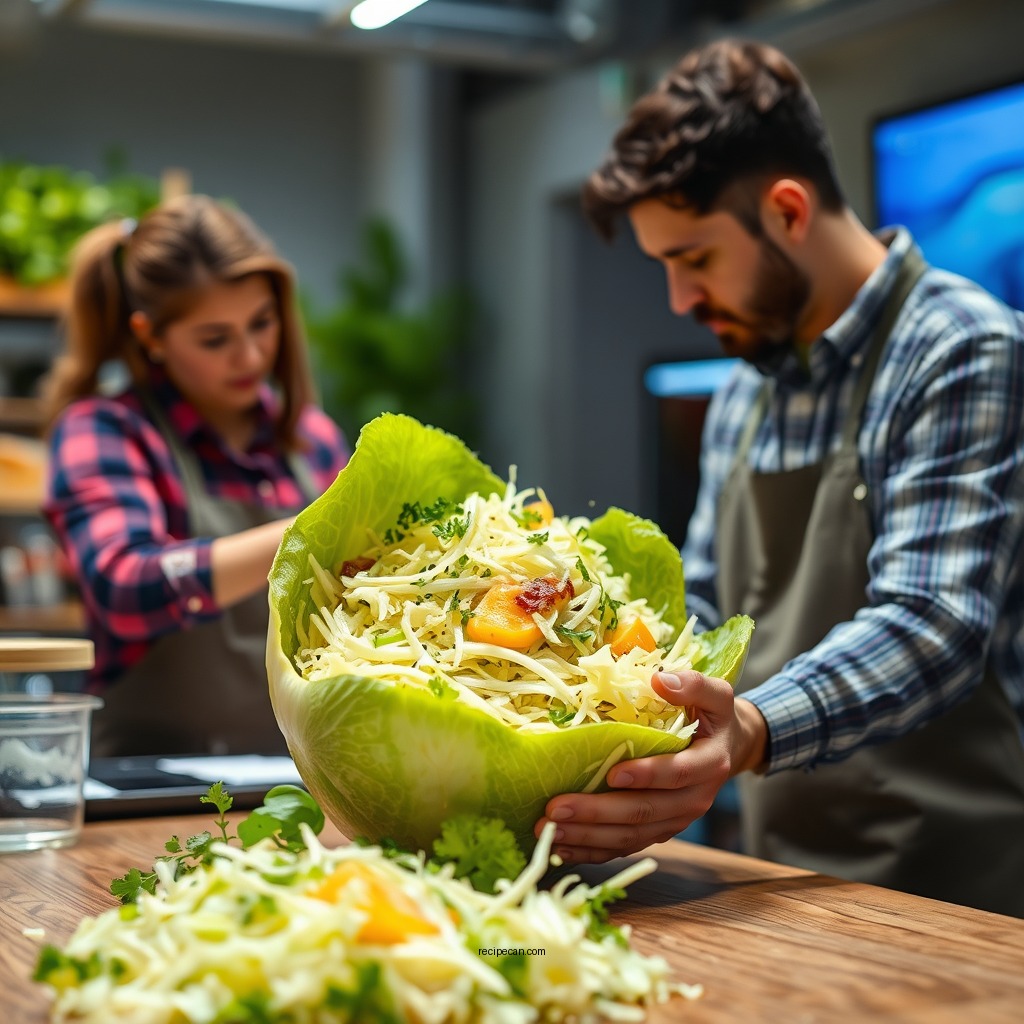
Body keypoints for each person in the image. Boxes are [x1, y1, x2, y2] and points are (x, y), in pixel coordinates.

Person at [536, 38, 1024, 917]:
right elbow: (703, 609)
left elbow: (934, 622)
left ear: (789, 209)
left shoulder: (961, 347)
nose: (681, 303)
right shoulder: (743, 394)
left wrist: (750, 730)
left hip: (962, 898)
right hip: (782, 882)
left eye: (695, 259)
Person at [42, 194, 349, 758]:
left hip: (299, 778)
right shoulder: (105, 430)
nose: (251, 355)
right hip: (146, 782)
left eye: (263, 322)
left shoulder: (313, 440)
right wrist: (308, 533)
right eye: (215, 339)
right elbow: (122, 584)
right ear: (150, 335)